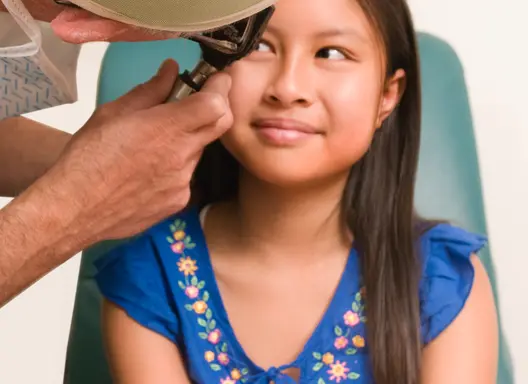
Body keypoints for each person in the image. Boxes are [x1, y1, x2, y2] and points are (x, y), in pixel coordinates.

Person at [93, 0, 499, 383]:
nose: (287, 89)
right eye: (260, 45)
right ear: (215, 65)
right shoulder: (152, 276)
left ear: (387, 96)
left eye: (332, 54)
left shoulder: (442, 280)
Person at [0, 0, 248, 306]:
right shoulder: (157, 276)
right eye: (267, 49)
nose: (289, 90)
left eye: (325, 54)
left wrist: (94, 167)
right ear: (79, 22)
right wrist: (74, 204)